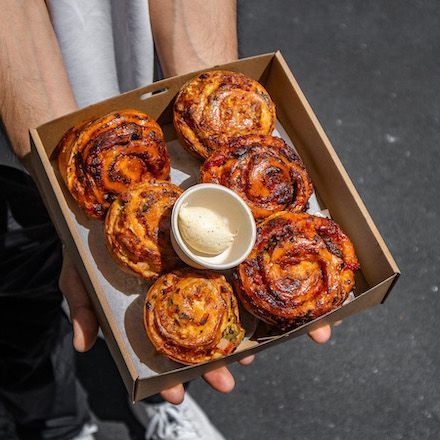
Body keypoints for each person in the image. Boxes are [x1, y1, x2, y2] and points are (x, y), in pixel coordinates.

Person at [0, 1, 333, 439]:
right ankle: (55, 425)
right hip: (19, 129)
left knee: (183, 343)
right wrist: (53, 163)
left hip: (149, 65)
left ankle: (155, 400)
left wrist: (207, 93)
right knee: (20, 311)